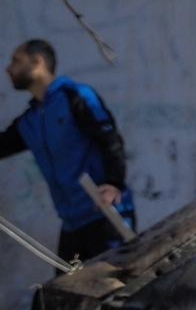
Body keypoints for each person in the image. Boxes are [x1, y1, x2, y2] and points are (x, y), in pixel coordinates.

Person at [2, 39, 137, 261]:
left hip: (104, 214)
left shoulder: (76, 97)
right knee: (60, 294)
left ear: (38, 62)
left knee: (120, 289)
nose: (8, 68)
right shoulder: (30, 120)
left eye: (16, 61)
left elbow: (110, 140)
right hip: (71, 224)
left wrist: (114, 183)